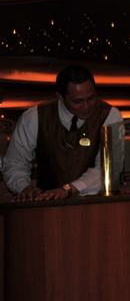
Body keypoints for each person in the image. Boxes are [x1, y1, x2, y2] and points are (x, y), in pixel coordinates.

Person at [3, 64, 123, 201]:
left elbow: (109, 167)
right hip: (46, 204)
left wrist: (68, 189)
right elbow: (14, 162)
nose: (86, 106)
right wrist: (25, 188)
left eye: (91, 98)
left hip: (94, 203)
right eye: (78, 101)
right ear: (60, 97)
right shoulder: (34, 117)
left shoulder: (109, 115)